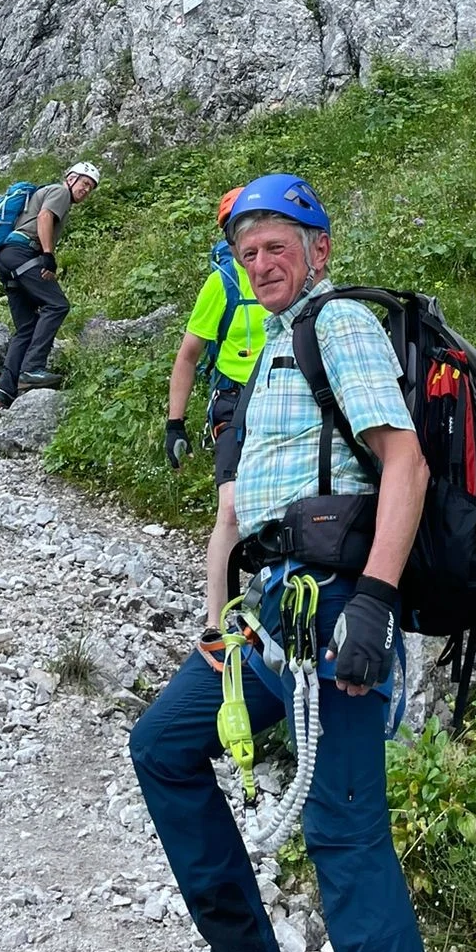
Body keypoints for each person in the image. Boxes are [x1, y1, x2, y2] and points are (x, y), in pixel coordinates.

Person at [130, 173, 431, 952]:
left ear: (317, 249)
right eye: (247, 252)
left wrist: (374, 603)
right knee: (162, 746)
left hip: (334, 608)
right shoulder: (270, 345)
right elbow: (239, 510)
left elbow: (405, 464)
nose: (261, 263)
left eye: (276, 247)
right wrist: (218, 618)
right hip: (268, 617)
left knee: (343, 826)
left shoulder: (339, 324)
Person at [165, 186, 266, 630]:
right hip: (233, 401)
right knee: (230, 508)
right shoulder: (222, 283)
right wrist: (175, 423)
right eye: (238, 231)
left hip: (284, 398)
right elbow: (188, 355)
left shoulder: (295, 273)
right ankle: (215, 620)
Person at [0, 161, 100, 408]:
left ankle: (2, 394)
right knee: (57, 305)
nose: (86, 190)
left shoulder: (47, 192)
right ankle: (32, 369)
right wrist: (48, 255)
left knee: (26, 327)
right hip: (22, 252)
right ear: (70, 178)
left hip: (7, 260)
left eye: (90, 188)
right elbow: (45, 216)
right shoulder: (59, 192)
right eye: (84, 183)